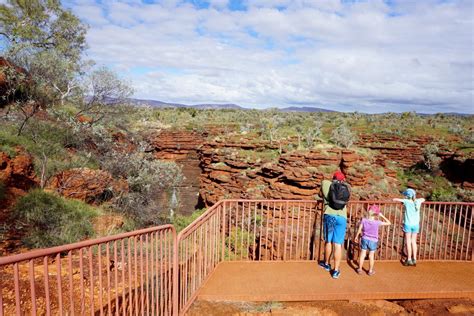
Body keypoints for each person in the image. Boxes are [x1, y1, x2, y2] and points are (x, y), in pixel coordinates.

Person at [318, 170, 351, 279]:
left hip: (330, 216)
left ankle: (326, 264)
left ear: (333, 178)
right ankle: (336, 271)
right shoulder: (346, 187)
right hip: (342, 217)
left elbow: (321, 190)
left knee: (328, 241)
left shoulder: (326, 184)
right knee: (337, 244)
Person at [354, 205, 391, 276]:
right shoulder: (377, 222)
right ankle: (370, 271)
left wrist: (356, 236)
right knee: (371, 256)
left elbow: (360, 229)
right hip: (373, 241)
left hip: (364, 239)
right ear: (376, 214)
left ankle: (360, 269)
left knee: (362, 254)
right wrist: (382, 216)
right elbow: (389, 223)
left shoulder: (364, 220)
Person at [393, 188, 425, 266]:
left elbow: (395, 199)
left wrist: (397, 199)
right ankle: (415, 259)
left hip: (408, 224)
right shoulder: (418, 201)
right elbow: (423, 199)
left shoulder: (406, 201)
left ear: (407, 196)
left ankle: (409, 259)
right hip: (416, 225)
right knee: (413, 241)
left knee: (408, 241)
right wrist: (417, 199)